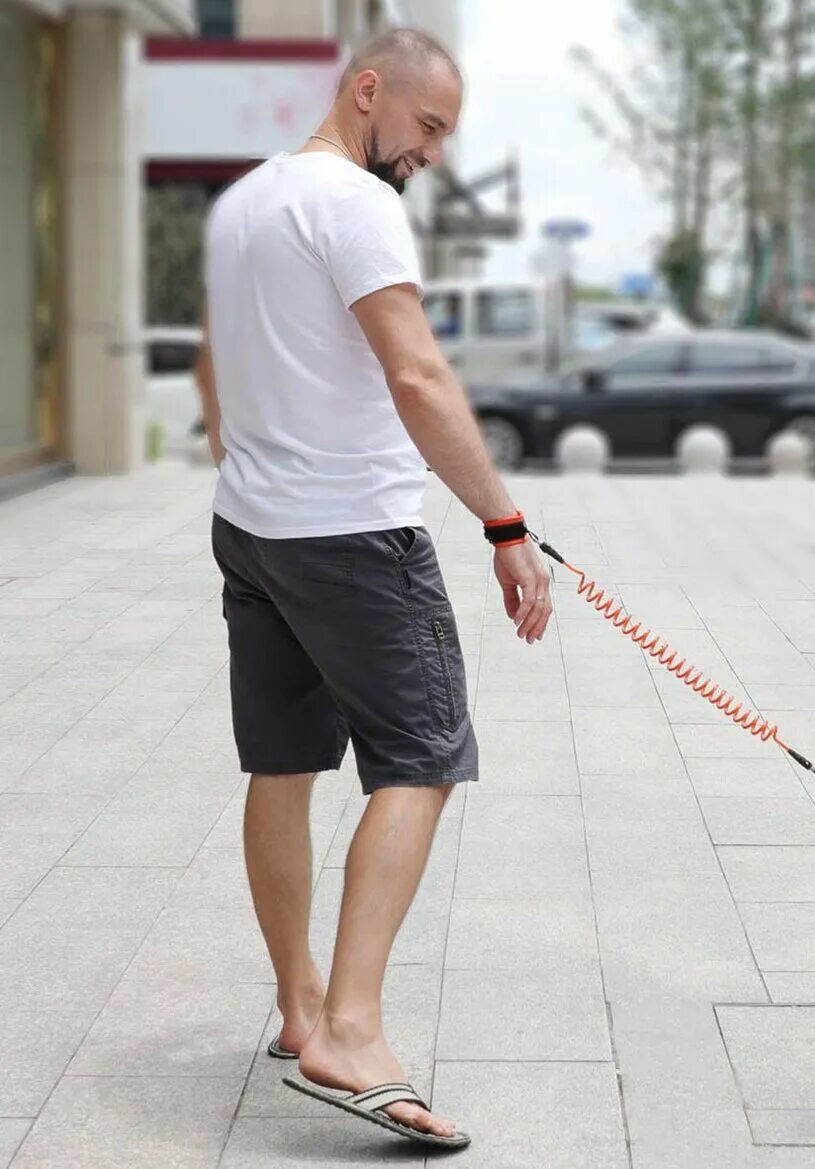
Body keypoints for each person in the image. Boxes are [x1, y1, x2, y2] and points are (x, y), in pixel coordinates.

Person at [195, 28, 552, 1150]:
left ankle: (303, 1003)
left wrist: (264, 458)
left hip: (254, 527)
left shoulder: (245, 201)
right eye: (428, 126)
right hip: (351, 536)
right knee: (426, 756)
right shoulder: (353, 200)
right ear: (366, 92)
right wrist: (506, 521)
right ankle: (349, 1028)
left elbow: (219, 364)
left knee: (285, 761)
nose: (432, 154)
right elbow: (415, 370)